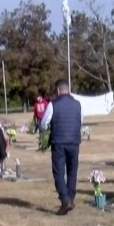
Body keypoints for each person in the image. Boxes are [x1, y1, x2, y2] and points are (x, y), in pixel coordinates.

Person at [40, 79, 82, 215]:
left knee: (58, 172)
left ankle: (65, 199)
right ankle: (70, 197)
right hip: (74, 141)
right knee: (72, 171)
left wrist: (46, 131)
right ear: (68, 89)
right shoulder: (77, 104)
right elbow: (81, 120)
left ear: (58, 90)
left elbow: (44, 123)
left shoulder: (53, 104)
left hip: (59, 141)